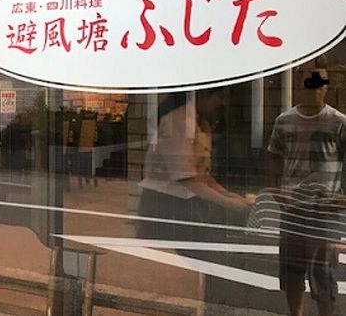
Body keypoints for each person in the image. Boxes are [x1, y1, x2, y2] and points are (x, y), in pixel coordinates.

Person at [266, 56, 346, 316]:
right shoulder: (284, 120)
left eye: (320, 82)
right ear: (301, 82)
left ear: (327, 86)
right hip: (293, 207)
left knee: (324, 274)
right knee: (292, 270)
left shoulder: (338, 122)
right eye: (310, 81)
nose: (315, 87)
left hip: (326, 209)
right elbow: (274, 155)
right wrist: (275, 187)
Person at [137, 88, 251, 242]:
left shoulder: (203, 124)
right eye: (220, 97)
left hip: (186, 202)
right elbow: (186, 178)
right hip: (163, 203)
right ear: (202, 95)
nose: (224, 103)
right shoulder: (178, 121)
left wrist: (231, 196)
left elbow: (202, 176)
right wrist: (228, 202)